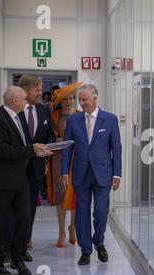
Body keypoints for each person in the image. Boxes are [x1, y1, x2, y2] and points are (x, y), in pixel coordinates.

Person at [0, 86, 52, 275]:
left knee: (24, 218)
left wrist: (39, 151)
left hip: (20, 179)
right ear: (14, 101)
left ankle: (17, 258)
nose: (27, 101)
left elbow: (25, 146)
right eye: (24, 98)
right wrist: (31, 150)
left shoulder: (18, 118)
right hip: (1, 180)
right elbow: (4, 151)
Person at [61, 84, 122, 265]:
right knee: (82, 213)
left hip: (103, 173)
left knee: (101, 211)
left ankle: (99, 242)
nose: (81, 103)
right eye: (80, 99)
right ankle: (85, 250)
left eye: (85, 99)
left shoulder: (110, 119)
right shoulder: (73, 120)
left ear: (95, 98)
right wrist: (64, 171)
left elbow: (116, 148)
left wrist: (117, 174)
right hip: (80, 174)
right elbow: (67, 149)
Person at [17, 75, 55, 262]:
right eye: (38, 90)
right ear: (26, 91)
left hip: (36, 168)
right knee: (15, 208)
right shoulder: (15, 111)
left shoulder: (43, 110)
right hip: (16, 168)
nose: (41, 93)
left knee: (30, 207)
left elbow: (50, 135)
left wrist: (48, 148)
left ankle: (24, 243)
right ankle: (11, 244)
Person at [46, 82, 82, 247]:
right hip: (58, 159)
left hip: (76, 160)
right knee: (60, 196)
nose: (69, 102)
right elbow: (46, 136)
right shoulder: (54, 115)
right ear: (61, 101)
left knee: (74, 195)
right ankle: (61, 231)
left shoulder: (80, 115)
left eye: (71, 98)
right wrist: (56, 140)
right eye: (66, 99)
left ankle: (72, 226)